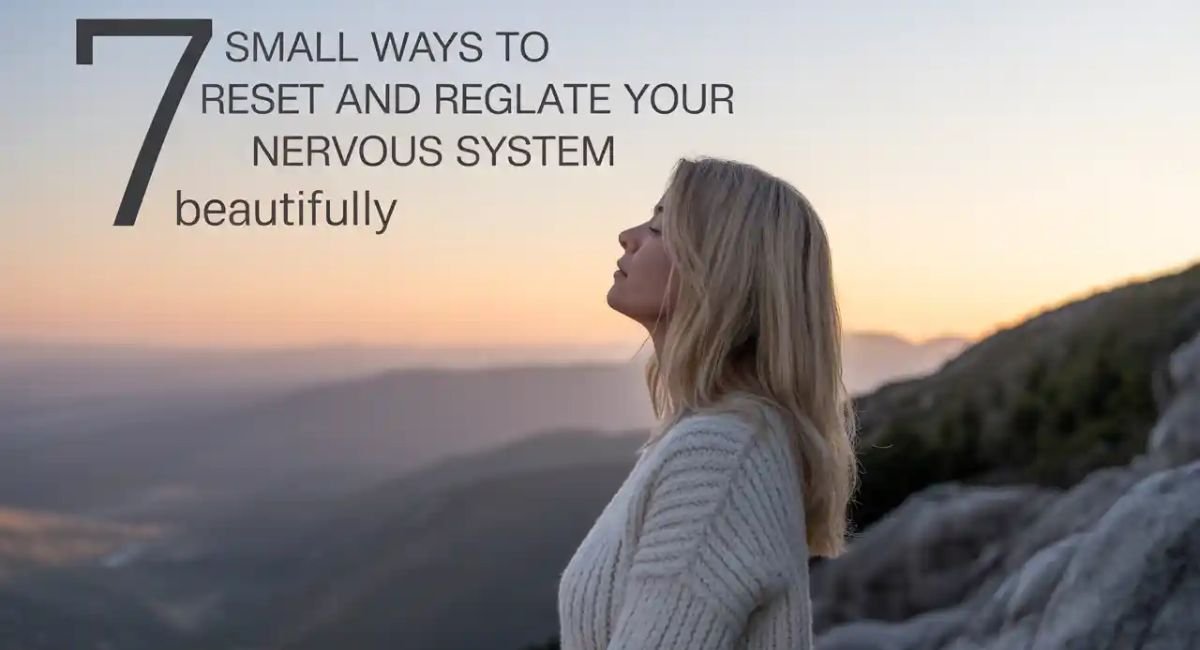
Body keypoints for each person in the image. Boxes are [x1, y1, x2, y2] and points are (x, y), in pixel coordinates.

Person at [556, 156, 859, 649]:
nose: (627, 235)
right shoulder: (715, 436)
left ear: (719, 268)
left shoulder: (718, 457)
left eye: (659, 227)